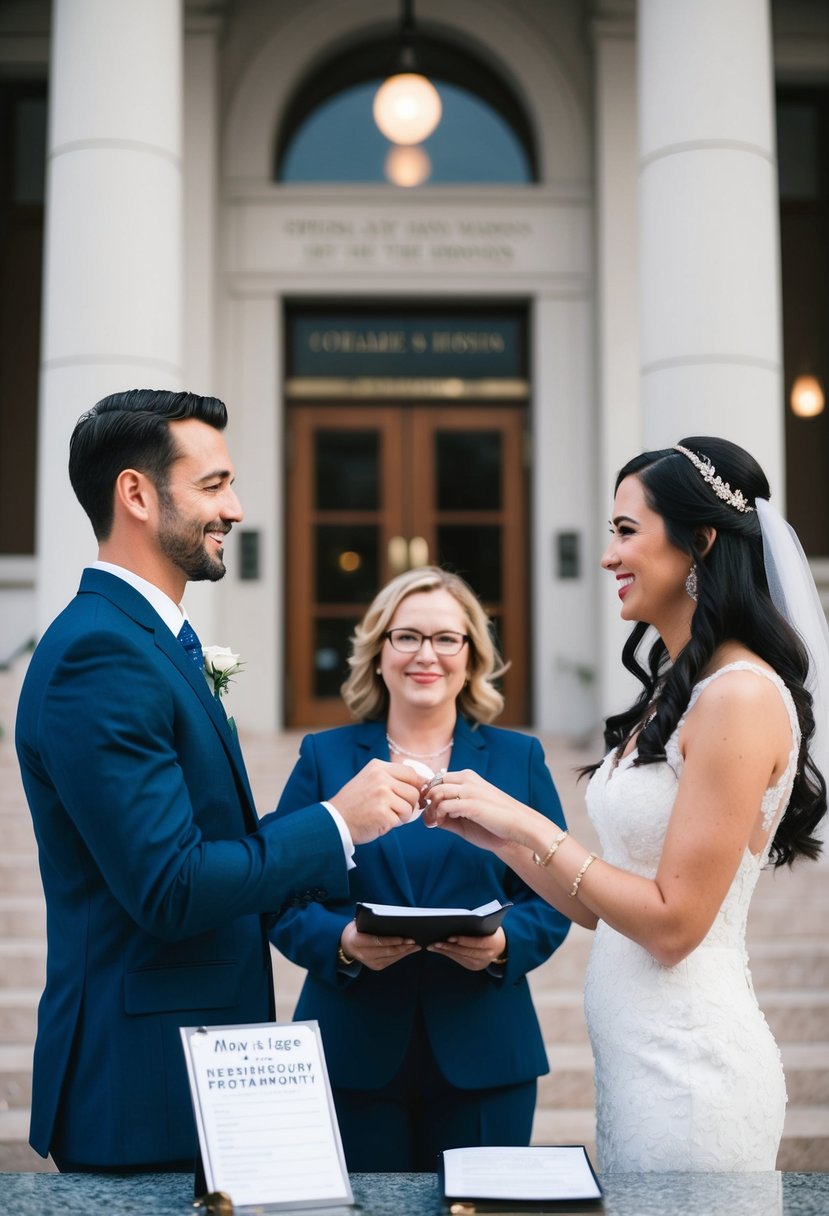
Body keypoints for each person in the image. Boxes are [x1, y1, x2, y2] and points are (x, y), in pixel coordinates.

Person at [14, 389, 422, 1173]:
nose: (235, 509)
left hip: (191, 1059)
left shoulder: (151, 641)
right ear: (135, 493)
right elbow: (169, 887)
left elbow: (203, 845)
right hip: (141, 1079)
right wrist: (337, 823)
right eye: (213, 485)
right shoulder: (99, 655)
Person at [424, 437, 828, 1172]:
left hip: (689, 1076)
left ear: (698, 541)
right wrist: (498, 839)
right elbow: (597, 904)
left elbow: (672, 927)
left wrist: (532, 825)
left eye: (624, 531)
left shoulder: (736, 696)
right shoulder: (676, 689)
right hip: (639, 1063)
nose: (607, 556)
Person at [270, 567, 570, 1171]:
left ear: (471, 656)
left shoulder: (520, 759)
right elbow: (278, 891)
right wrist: (344, 943)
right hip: (351, 1047)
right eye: (406, 637)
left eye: (446, 639)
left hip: (487, 1051)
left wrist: (507, 944)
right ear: (379, 653)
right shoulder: (323, 756)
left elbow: (557, 892)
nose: (425, 655)